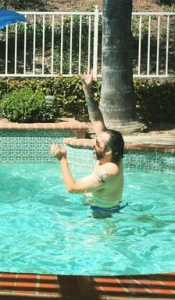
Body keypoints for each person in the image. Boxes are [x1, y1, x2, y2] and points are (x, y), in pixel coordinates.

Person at [50, 72, 125, 216]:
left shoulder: (108, 171)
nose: (93, 145)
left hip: (103, 215)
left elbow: (73, 188)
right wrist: (86, 89)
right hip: (95, 205)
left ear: (108, 151)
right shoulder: (112, 152)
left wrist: (63, 159)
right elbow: (96, 120)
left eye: (98, 144)